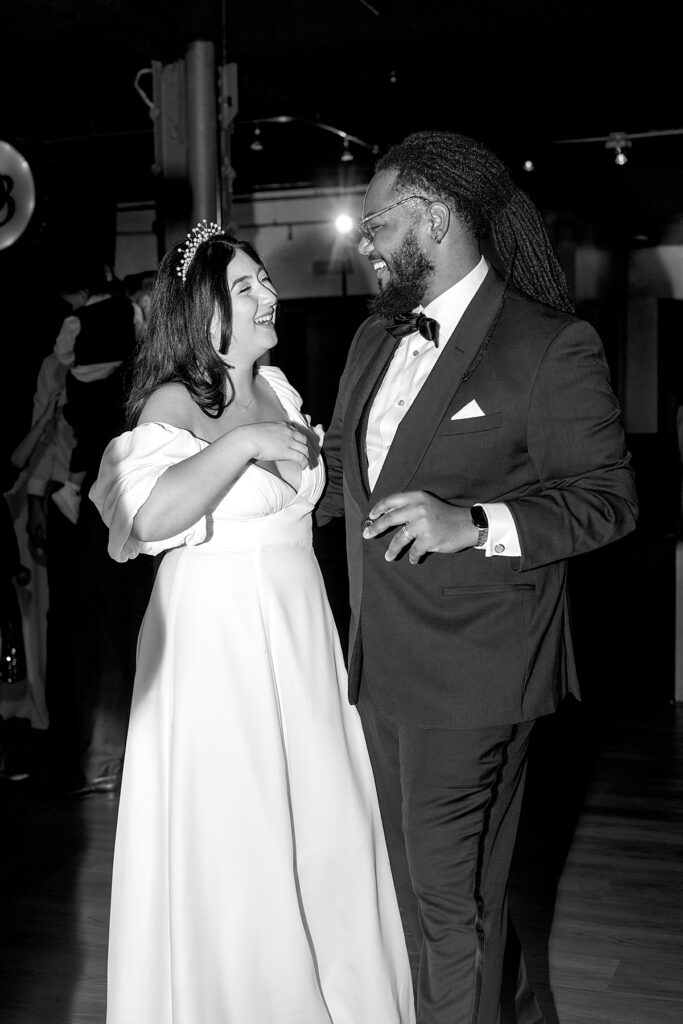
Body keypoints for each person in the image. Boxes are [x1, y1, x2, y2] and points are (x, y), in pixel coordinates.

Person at [316, 131, 639, 1024]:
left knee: (441, 903)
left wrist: (476, 524)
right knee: (448, 898)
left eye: (375, 223)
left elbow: (608, 500)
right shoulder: (369, 342)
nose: (365, 245)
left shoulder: (546, 345)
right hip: (379, 666)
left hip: (477, 671)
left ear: (434, 215)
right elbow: (345, 480)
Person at [89, 224, 415, 1024]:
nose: (269, 295)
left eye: (265, 281)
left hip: (299, 636)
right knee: (240, 838)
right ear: (203, 315)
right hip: (216, 648)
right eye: (246, 288)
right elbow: (145, 514)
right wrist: (240, 443)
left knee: (320, 830)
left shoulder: (281, 389)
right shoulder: (172, 401)